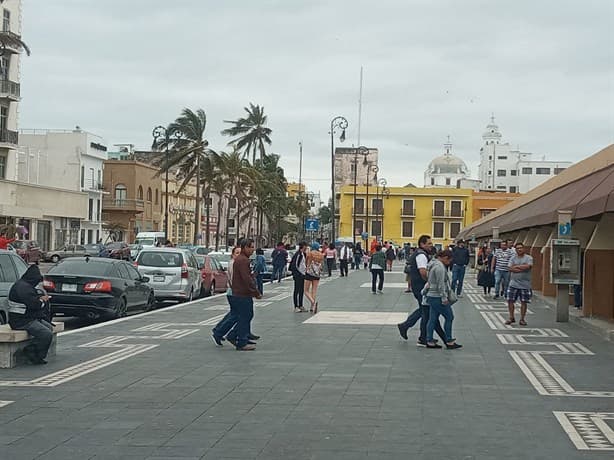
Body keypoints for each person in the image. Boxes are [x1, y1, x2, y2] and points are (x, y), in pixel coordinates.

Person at [397, 235, 446, 346]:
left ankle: (407, 327)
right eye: (429, 243)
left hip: (417, 285)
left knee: (424, 310)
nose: (431, 245)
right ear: (422, 244)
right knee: (426, 311)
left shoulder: (421, 254)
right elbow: (423, 272)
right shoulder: (421, 256)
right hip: (421, 286)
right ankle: (424, 337)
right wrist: (430, 283)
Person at [8, 264, 54, 364]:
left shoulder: (23, 285)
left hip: (26, 317)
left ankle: (36, 351)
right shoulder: (23, 288)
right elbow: (34, 304)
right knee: (46, 334)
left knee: (49, 328)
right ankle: (33, 352)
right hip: (22, 321)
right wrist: (42, 301)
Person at [425, 249, 462, 349]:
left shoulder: (432, 264)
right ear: (445, 258)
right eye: (449, 261)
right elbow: (441, 284)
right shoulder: (440, 268)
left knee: (432, 318)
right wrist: (444, 297)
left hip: (431, 295)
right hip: (438, 296)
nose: (449, 263)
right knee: (449, 317)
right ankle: (449, 340)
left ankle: (429, 340)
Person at [230, 239, 262, 350]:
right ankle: (241, 342)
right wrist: (256, 292)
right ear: (245, 248)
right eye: (251, 247)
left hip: (240, 292)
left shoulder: (241, 259)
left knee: (246, 316)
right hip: (242, 293)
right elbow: (247, 279)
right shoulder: (243, 261)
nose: (253, 249)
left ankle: (233, 335)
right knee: (245, 316)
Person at [505, 242, 533, 326]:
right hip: (513, 283)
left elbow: (528, 266)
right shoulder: (513, 258)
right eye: (517, 248)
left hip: (525, 284)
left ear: (524, 248)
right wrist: (521, 267)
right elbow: (510, 268)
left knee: (523, 302)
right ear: (515, 250)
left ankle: (522, 319)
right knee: (510, 301)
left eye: (521, 248)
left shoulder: (529, 258)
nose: (519, 249)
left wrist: (516, 267)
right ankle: (511, 317)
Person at [304, 242, 323, 313]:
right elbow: (321, 264)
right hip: (317, 274)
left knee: (306, 290)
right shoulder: (321, 254)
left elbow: (306, 262)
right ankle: (312, 307)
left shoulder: (310, 253)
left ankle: (312, 302)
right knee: (314, 290)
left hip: (309, 273)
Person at [290, 242, 308, 312]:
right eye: (306, 246)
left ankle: (301, 305)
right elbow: (296, 265)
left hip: (303, 275)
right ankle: (296, 306)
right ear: (303, 246)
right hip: (298, 275)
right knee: (296, 290)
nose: (306, 248)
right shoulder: (298, 254)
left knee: (301, 290)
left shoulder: (303, 254)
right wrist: (299, 273)